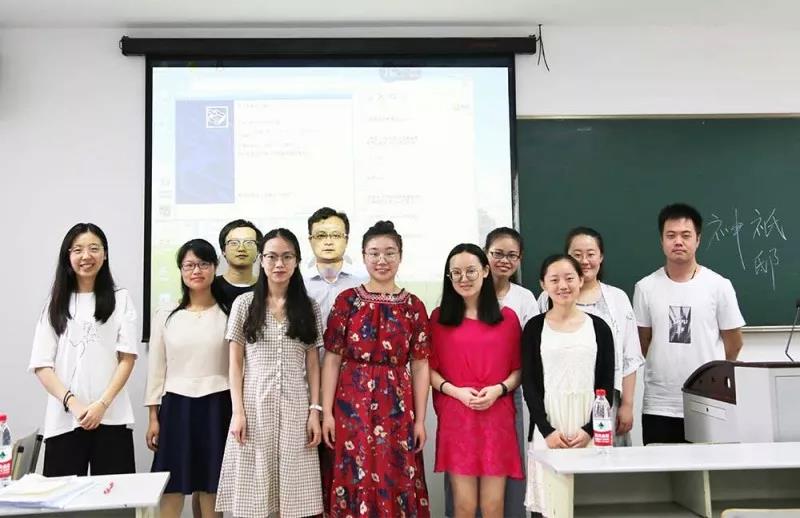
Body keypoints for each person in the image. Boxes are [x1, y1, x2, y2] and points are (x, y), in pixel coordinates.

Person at [321, 220, 431, 518]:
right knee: (353, 474)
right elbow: (332, 359)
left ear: (400, 256)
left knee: (395, 474)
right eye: (374, 253)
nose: (382, 260)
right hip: (351, 405)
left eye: (389, 253)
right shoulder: (347, 301)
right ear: (363, 256)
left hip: (397, 408)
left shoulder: (413, 306)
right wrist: (327, 413)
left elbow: (420, 365)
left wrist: (420, 420)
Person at [215, 229, 324, 518]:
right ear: (261, 260)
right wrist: (238, 412)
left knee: (293, 497)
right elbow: (235, 364)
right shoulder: (244, 305)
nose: (279, 264)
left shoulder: (309, 307)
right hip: (254, 409)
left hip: (295, 409)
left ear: (297, 261)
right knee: (254, 497)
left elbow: (313, 364)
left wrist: (315, 411)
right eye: (272, 256)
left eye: (287, 257)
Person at [29, 223, 138, 476]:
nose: (86, 256)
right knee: (62, 498)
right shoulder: (55, 304)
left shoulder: (120, 299)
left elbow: (127, 358)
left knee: (115, 497)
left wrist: (101, 404)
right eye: (77, 250)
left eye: (94, 248)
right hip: (65, 420)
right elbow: (42, 365)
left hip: (111, 416)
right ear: (67, 256)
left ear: (105, 254)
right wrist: (74, 404)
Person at [633, 203, 745, 445]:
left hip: (709, 401)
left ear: (698, 239)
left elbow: (734, 343)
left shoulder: (719, 285)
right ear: (661, 240)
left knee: (709, 467)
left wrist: (714, 377)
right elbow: (643, 341)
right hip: (660, 404)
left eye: (686, 235)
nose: (678, 242)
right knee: (660, 466)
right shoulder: (645, 287)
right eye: (671, 235)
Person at [430, 243, 524, 518]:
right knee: (464, 506)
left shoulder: (507, 318)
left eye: (470, 271)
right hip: (457, 416)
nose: (464, 278)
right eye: (456, 273)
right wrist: (456, 392)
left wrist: (498, 389)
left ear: (484, 271)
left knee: (494, 506)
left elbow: (519, 370)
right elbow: (428, 371)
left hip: (497, 415)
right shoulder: (438, 319)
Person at [521, 254, 614, 516]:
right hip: (549, 428)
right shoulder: (534, 328)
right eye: (554, 280)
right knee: (549, 505)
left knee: (590, 505)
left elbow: (606, 384)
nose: (563, 285)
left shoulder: (599, 327)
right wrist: (547, 430)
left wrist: (589, 430)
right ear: (543, 285)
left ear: (581, 280)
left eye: (569, 278)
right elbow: (530, 384)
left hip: (589, 428)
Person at [145, 239, 232, 518]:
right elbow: (157, 368)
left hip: (218, 405)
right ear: (181, 270)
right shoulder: (166, 314)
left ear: (215, 268)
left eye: (204, 264)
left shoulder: (229, 313)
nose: (197, 271)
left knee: (212, 485)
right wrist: (153, 416)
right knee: (171, 485)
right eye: (189, 265)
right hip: (176, 407)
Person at [537, 227, 644, 446]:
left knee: (605, 461)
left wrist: (627, 405)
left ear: (601, 257)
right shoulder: (548, 297)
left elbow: (629, 356)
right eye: (577, 254)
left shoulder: (617, 298)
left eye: (591, 254)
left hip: (606, 400)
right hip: (557, 401)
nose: (584, 261)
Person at [303, 206, 367, 324]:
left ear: (346, 240)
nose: (328, 242)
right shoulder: (300, 283)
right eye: (321, 236)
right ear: (310, 240)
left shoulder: (363, 282)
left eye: (336, 235)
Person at [214, 219, 263, 309]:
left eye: (249, 243)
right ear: (223, 250)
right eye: (234, 243)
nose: (241, 248)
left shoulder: (267, 287)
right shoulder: (211, 287)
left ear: (258, 250)